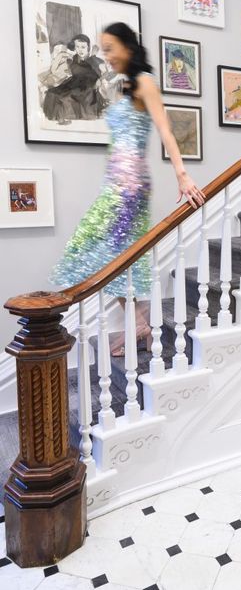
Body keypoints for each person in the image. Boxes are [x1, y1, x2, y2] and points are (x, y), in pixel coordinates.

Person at [50, 23, 205, 355]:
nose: (106, 56)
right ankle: (139, 322)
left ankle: (140, 321)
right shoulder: (125, 86)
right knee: (115, 258)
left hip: (129, 185)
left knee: (97, 252)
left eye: (110, 48)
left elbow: (165, 130)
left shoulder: (146, 83)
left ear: (129, 49)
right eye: (103, 49)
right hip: (117, 181)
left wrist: (182, 175)